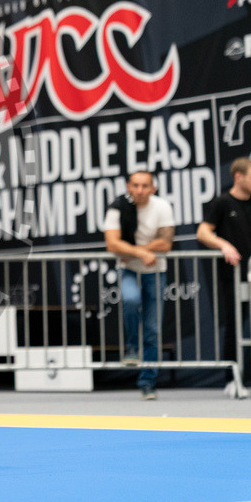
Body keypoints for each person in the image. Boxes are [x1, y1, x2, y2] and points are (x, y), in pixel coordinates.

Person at [197, 158, 251, 398]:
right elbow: (203, 232)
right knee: (234, 327)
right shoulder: (222, 203)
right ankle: (232, 378)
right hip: (233, 277)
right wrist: (223, 245)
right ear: (238, 177)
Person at [103, 171, 175, 401]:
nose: (140, 190)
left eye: (145, 186)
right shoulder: (117, 207)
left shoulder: (162, 206)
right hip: (129, 269)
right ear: (128, 186)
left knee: (153, 330)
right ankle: (132, 346)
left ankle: (148, 382)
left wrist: (136, 251)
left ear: (153, 188)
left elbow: (166, 243)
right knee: (131, 300)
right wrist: (141, 252)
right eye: (136, 185)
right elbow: (112, 243)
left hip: (155, 272)